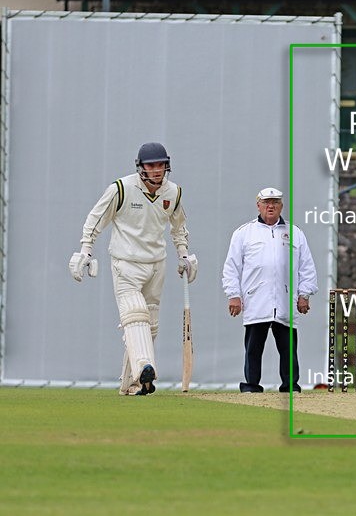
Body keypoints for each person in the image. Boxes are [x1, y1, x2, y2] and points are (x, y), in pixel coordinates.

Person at [70, 142, 197, 396]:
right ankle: (144, 368)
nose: (157, 170)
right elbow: (96, 218)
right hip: (125, 263)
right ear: (141, 167)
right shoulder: (122, 188)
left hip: (156, 265)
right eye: (151, 165)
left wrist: (184, 254)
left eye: (161, 164)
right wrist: (86, 249)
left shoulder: (173, 192)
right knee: (134, 314)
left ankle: (132, 383)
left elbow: (178, 227)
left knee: (149, 324)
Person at [222, 187, 318, 393]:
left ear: (282, 205)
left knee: (288, 348)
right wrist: (234, 295)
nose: (271, 206)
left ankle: (290, 385)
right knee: (253, 349)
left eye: (275, 202)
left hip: (285, 299)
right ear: (258, 205)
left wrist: (304, 294)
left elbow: (306, 266)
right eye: (266, 202)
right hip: (256, 299)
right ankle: (251, 385)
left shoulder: (295, 233)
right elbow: (232, 266)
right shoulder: (243, 233)